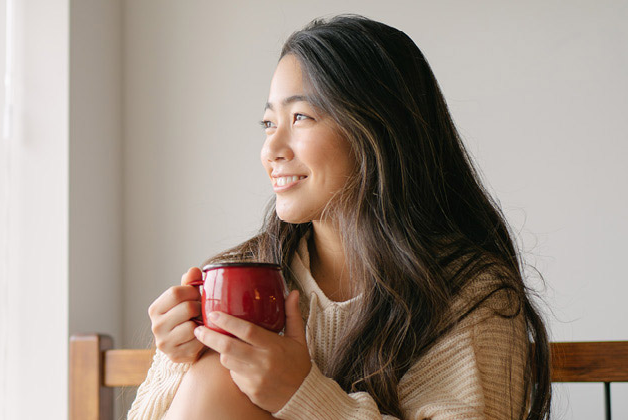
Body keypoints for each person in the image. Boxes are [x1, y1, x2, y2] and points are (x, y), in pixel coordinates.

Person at [126, 14, 551, 420]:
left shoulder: (468, 293)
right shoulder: (252, 271)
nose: (271, 150)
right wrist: (177, 357)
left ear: (379, 130)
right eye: (268, 122)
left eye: (300, 117)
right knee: (220, 369)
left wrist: (302, 395)